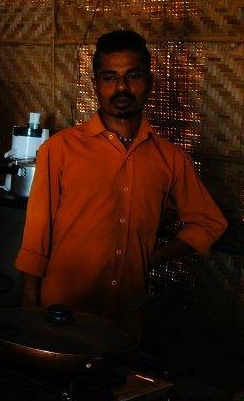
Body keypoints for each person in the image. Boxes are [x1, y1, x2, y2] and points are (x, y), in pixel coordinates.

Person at [16, 29, 227, 334]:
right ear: (95, 85)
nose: (122, 88)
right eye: (110, 77)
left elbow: (209, 222)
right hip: (61, 313)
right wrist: (30, 303)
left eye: (133, 76)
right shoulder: (60, 149)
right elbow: (37, 233)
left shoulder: (170, 158)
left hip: (126, 320)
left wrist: (149, 258)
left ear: (149, 83)